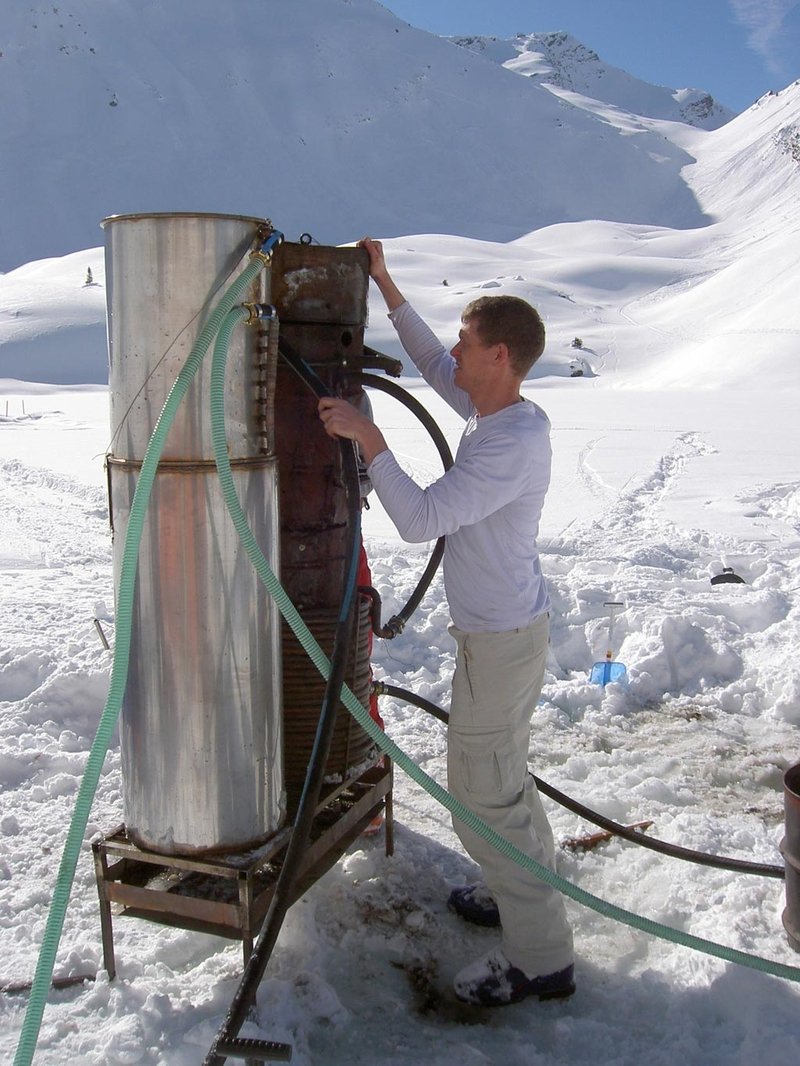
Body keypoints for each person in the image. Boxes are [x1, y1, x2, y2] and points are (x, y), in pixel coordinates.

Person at [318, 238, 574, 1007]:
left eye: (468, 342)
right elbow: (433, 366)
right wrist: (387, 286)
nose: (455, 352)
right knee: (503, 778)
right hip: (504, 633)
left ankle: (541, 959)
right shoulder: (497, 409)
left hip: (499, 643)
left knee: (482, 794)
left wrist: (369, 442)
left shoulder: (509, 445)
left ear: (498, 356)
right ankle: (518, 887)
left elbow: (422, 518)